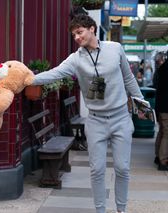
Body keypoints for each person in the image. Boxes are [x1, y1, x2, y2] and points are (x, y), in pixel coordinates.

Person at [31, 14, 144, 213]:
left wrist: (141, 105)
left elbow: (129, 79)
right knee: (97, 170)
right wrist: (27, 79)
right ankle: (100, 210)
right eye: (74, 34)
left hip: (120, 118)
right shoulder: (76, 59)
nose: (76, 37)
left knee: (122, 168)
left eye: (79, 32)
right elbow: (54, 73)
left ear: (92, 29)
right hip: (96, 121)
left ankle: (121, 209)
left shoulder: (115, 49)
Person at [154, 54, 168, 171]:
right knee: (166, 133)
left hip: (161, 105)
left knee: (162, 131)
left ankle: (158, 156)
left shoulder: (162, 68)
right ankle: (163, 161)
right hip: (166, 106)